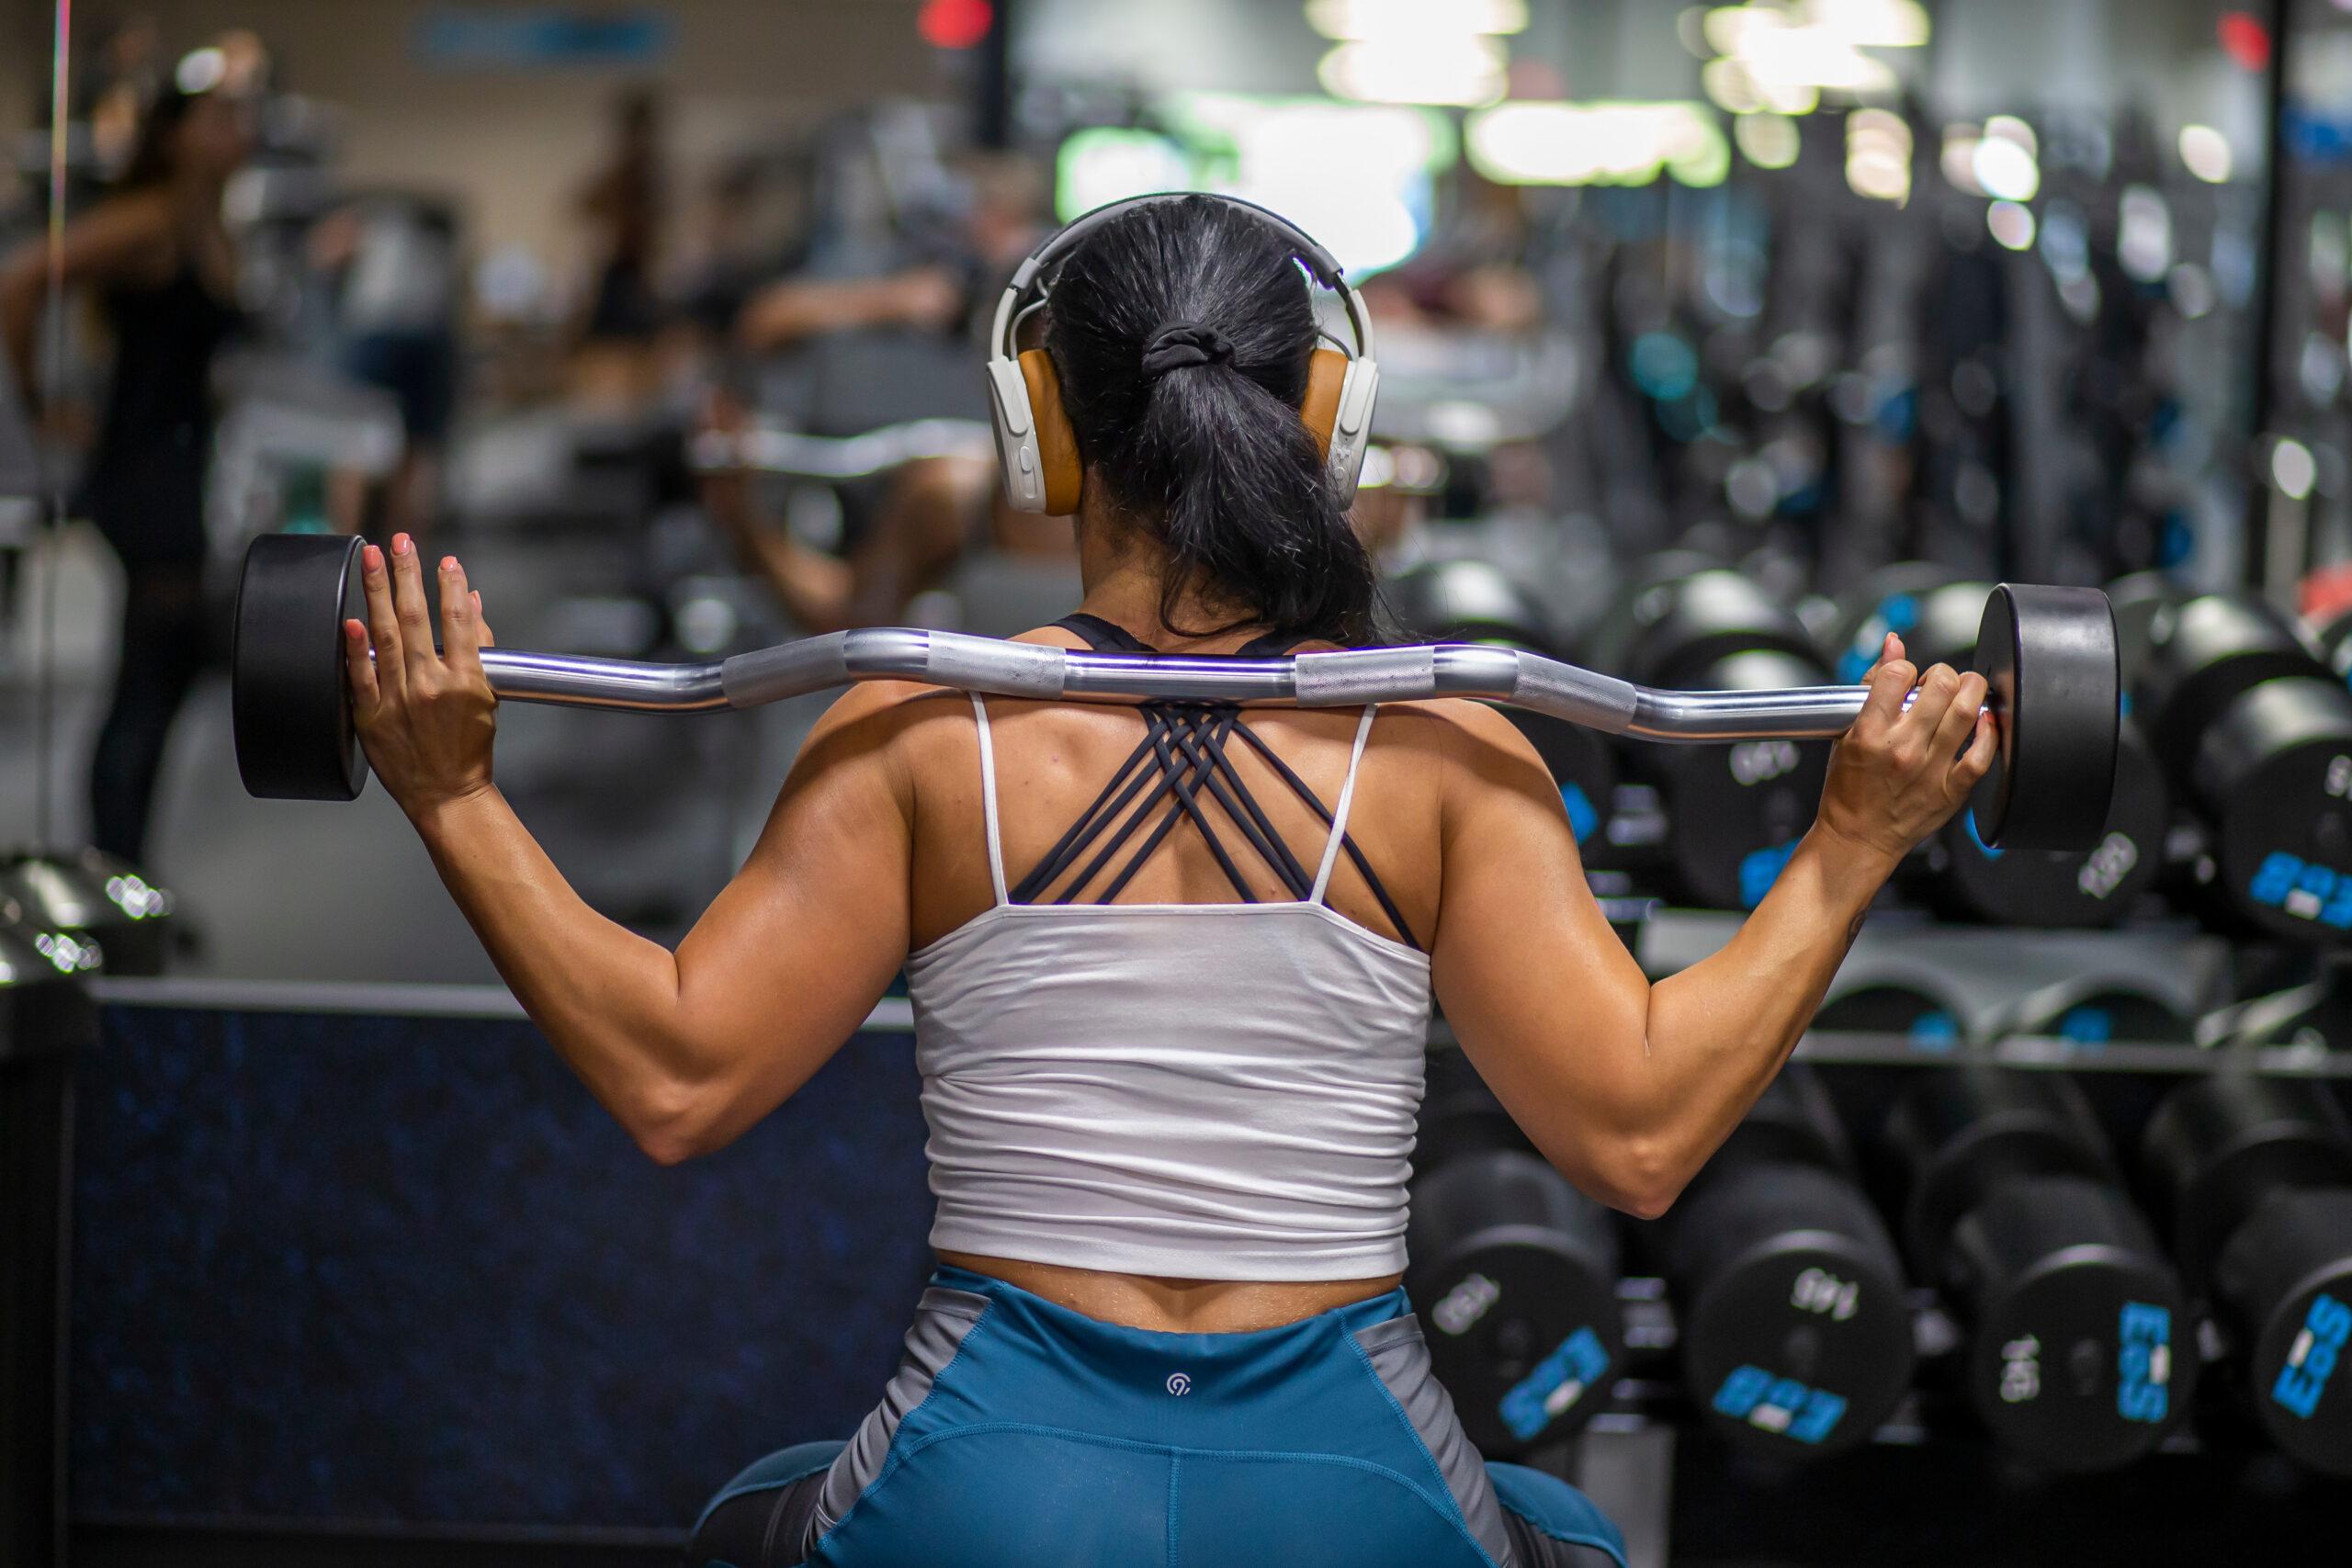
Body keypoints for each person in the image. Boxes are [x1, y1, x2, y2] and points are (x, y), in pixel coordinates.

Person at [342, 195, 1993, 1566]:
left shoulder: (924, 728)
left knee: (744, 1522)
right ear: (1336, 420)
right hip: (1352, 1483)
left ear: (1040, 428)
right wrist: (1851, 845)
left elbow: (677, 1078)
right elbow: (1636, 1137)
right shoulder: (1447, 749)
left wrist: (454, 793)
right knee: (1565, 1533)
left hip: (992, 1478)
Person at [0, 57, 253, 865]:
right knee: (146, 682)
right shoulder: (152, 222)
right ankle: (113, 870)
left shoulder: (208, 223)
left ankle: (128, 864)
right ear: (175, 136)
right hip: (142, 473)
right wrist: (43, 406)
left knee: (165, 676)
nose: (235, 132)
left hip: (182, 468)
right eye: (216, 117)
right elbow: (22, 281)